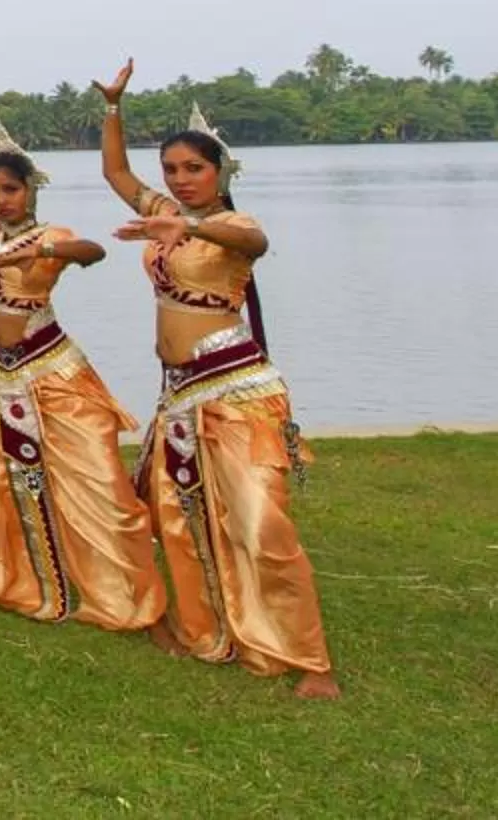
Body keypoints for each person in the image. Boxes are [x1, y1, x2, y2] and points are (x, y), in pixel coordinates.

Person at [99, 60, 339, 698]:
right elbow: (116, 174)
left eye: (193, 169)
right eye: (172, 169)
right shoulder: (164, 210)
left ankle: (311, 660)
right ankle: (204, 630)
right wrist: (114, 108)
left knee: (261, 525)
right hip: (180, 394)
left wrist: (188, 225)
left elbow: (254, 242)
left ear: (220, 173)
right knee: (184, 520)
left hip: (235, 392)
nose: (180, 179)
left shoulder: (231, 225)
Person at [0, 102, 163, 632]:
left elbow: (92, 252)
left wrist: (47, 251)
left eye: (11, 189)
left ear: (31, 188)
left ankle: (122, 592)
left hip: (47, 369)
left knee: (94, 480)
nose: (0, 200)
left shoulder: (52, 235)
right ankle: (9, 577)